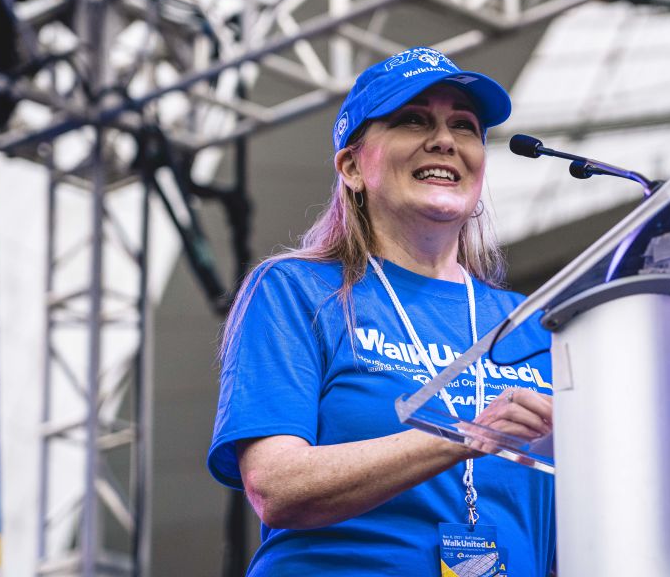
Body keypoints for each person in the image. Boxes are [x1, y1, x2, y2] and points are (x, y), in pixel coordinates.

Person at [208, 46, 556, 576]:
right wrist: (465, 435)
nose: (444, 140)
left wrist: (664, 469)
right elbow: (277, 487)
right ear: (351, 166)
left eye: (464, 127)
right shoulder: (296, 291)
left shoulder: (533, 325)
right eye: (413, 120)